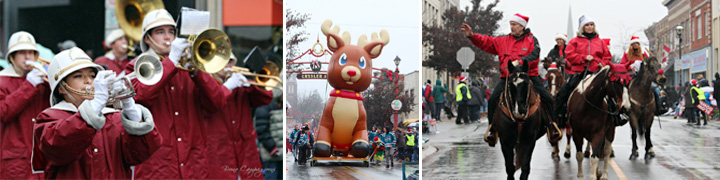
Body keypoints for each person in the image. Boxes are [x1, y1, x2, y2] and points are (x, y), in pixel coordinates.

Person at [123, 9, 230, 179]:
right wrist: (171, 62)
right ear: (147, 39)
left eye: (171, 32)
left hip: (193, 164)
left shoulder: (189, 68)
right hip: (158, 165)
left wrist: (197, 72)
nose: (168, 37)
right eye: (160, 32)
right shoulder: (136, 66)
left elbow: (217, 103)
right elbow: (139, 97)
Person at [32, 47, 161, 178]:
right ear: (62, 88)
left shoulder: (113, 117)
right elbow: (59, 148)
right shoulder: (49, 118)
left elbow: (139, 155)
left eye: (92, 76)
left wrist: (129, 107)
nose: (88, 81)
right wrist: (96, 103)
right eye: (78, 76)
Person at [461, 13, 557, 146]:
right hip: (507, 78)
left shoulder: (532, 40)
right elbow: (486, 42)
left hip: (528, 76)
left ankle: (552, 127)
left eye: (515, 24)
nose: (512, 27)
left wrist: (522, 61)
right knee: (493, 99)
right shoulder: (502, 41)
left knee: (547, 98)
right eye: (511, 24)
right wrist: (472, 36)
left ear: (522, 26)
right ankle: (492, 130)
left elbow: (535, 55)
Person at [205, 53, 273, 179]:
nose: (227, 65)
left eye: (230, 62)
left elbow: (266, 97)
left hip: (246, 152)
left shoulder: (239, 84)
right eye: (222, 61)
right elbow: (210, 105)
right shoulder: (206, 86)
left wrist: (252, 86)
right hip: (219, 153)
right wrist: (228, 87)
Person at [0, 31, 49, 179]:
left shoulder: (42, 81)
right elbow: (4, 112)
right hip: (16, 160)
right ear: (12, 57)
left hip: (42, 156)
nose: (28, 57)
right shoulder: (2, 80)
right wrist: (29, 85)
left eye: (31, 53)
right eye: (21, 53)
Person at [554, 15, 619, 126]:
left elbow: (607, 56)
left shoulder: (600, 42)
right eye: (587, 25)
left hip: (597, 74)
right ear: (582, 27)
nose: (590, 27)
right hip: (580, 73)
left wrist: (602, 64)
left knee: (613, 90)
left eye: (592, 25)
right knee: (562, 92)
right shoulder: (574, 41)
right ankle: (560, 117)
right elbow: (569, 56)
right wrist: (584, 57)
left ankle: (617, 116)